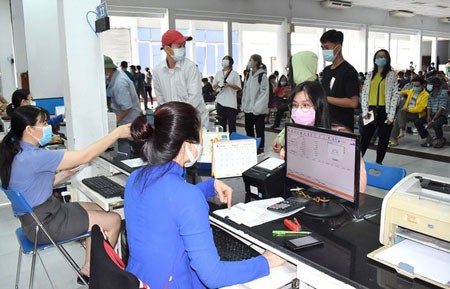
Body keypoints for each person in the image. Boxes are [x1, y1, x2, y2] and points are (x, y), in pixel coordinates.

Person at [124, 102, 285, 288]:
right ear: (186, 144)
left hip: (140, 281)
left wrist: (210, 185)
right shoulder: (185, 196)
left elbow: (166, 205)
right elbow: (214, 276)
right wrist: (266, 262)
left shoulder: (135, 178)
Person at [0, 105, 130, 283]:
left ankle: (88, 269)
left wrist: (59, 177)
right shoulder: (35, 157)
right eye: (43, 123)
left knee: (98, 209)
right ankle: (102, 277)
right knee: (114, 219)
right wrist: (115, 134)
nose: (47, 126)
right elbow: (85, 156)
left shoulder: (18, 152)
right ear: (29, 130)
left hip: (36, 220)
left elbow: (28, 188)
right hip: (46, 223)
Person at [272, 81, 367, 193]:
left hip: (332, 199)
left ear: (319, 106)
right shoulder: (296, 133)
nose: (298, 110)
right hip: (302, 194)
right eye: (294, 105)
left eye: (306, 105)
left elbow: (359, 186)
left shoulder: (341, 137)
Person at [152, 30, 208, 126]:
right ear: (167, 49)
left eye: (184, 45)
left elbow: (195, 97)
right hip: (173, 121)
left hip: (193, 120)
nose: (183, 49)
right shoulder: (157, 71)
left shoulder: (190, 67)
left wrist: (178, 116)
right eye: (179, 46)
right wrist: (170, 116)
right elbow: (161, 98)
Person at [360, 49, 399, 164]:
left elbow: (395, 95)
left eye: (383, 56)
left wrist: (391, 115)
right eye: (378, 56)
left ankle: (378, 163)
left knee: (383, 138)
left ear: (387, 59)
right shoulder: (370, 74)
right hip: (370, 110)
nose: (380, 58)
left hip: (384, 111)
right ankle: (357, 162)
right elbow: (364, 94)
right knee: (365, 138)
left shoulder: (391, 75)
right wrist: (364, 111)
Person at [319, 30, 359, 132]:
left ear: (338, 47)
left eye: (327, 48)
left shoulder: (349, 71)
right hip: (326, 122)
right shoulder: (327, 70)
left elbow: (353, 102)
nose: (324, 51)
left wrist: (325, 98)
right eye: (322, 48)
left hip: (342, 125)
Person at [389, 77, 429, 147]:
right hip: (407, 113)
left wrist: (408, 110)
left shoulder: (426, 95)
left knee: (400, 114)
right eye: (414, 86)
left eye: (417, 86)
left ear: (422, 85)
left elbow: (420, 108)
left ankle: (394, 138)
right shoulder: (411, 91)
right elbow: (403, 92)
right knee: (400, 114)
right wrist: (401, 93)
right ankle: (400, 132)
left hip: (418, 115)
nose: (415, 87)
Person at [241, 54, 269, 155]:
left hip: (258, 108)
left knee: (259, 129)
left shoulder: (263, 76)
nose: (249, 62)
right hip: (248, 108)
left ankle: (260, 147)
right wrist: (243, 104)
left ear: (256, 62)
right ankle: (251, 145)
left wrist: (257, 106)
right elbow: (245, 90)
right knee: (248, 127)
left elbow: (264, 93)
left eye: (250, 60)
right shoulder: (248, 75)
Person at [104, 55, 142, 125]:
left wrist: (114, 123)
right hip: (127, 119)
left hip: (128, 122)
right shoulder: (116, 75)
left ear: (108, 70)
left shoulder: (119, 83)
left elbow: (126, 107)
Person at [413, 77, 448, 148]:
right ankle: (428, 137)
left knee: (436, 123)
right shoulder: (430, 95)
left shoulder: (443, 94)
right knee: (418, 122)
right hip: (433, 114)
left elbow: (441, 109)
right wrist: (428, 116)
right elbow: (429, 107)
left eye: (431, 84)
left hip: (442, 115)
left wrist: (432, 121)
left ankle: (440, 139)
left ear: (436, 86)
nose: (429, 86)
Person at [212, 56, 241, 133]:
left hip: (231, 103)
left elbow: (238, 87)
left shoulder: (235, 74)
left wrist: (229, 85)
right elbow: (213, 86)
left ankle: (232, 140)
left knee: (231, 124)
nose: (224, 61)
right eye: (223, 59)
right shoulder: (218, 73)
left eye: (226, 60)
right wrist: (218, 84)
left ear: (230, 63)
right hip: (220, 101)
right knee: (221, 124)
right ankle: (222, 140)